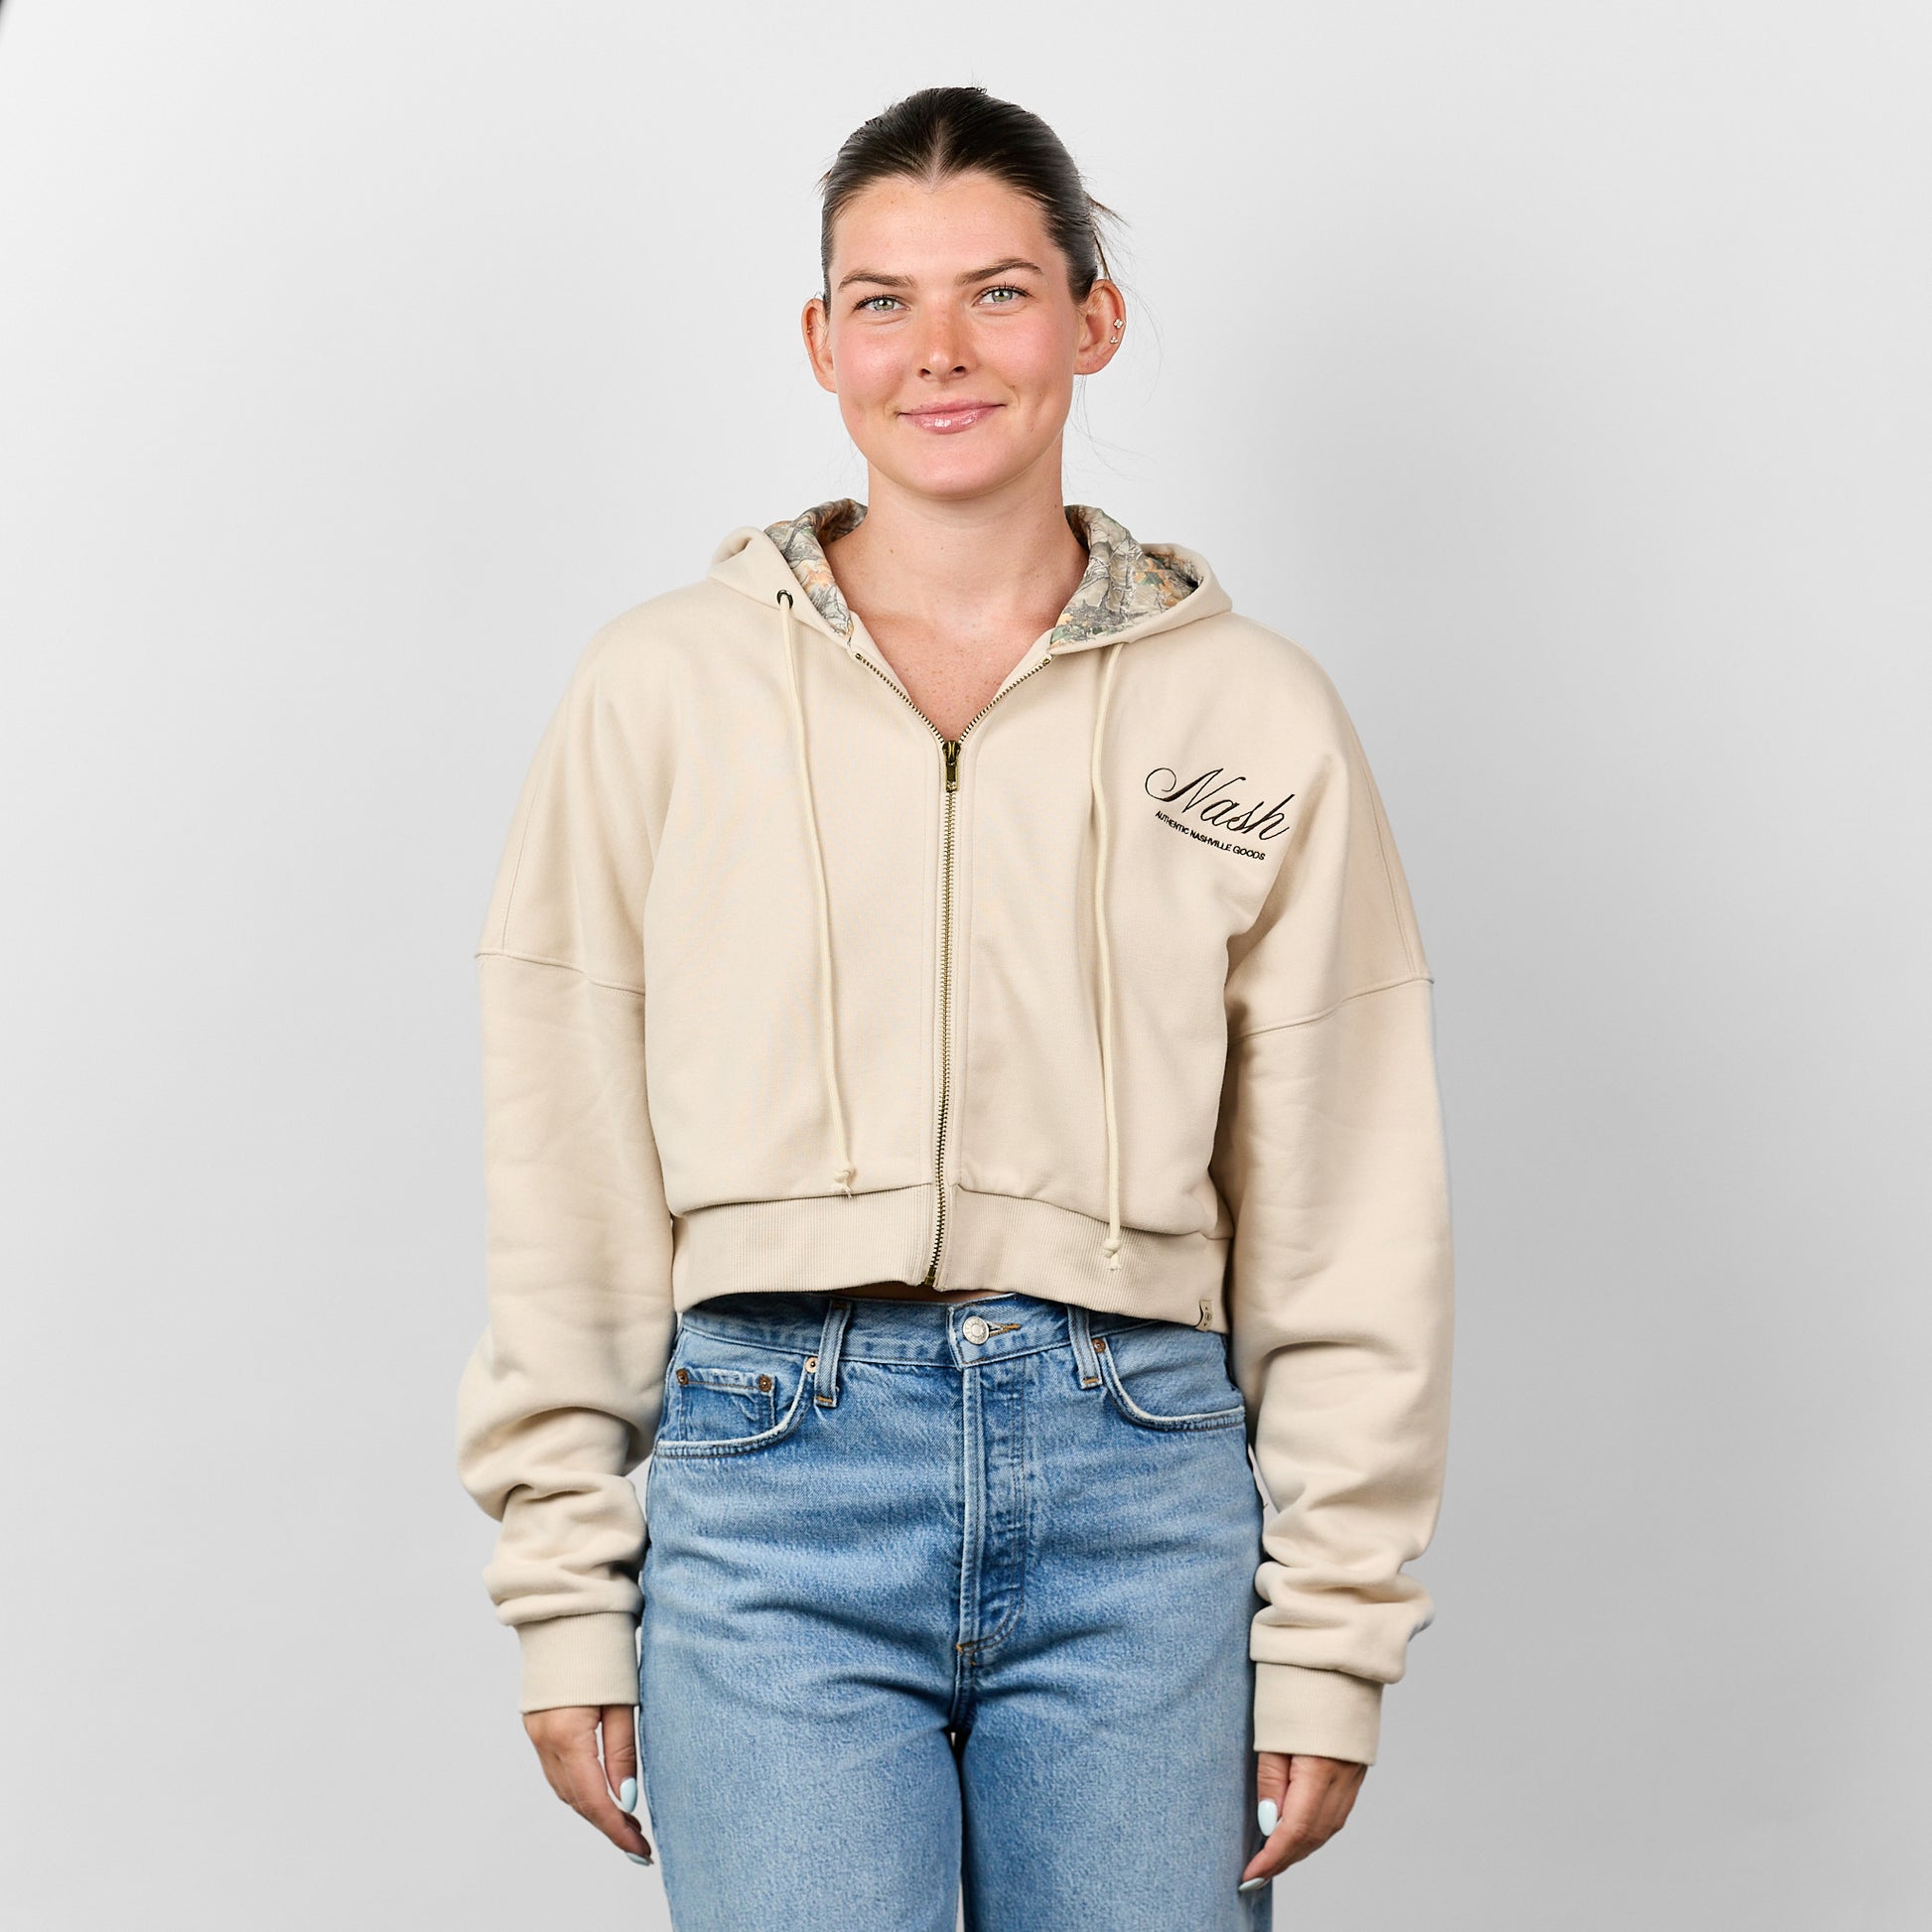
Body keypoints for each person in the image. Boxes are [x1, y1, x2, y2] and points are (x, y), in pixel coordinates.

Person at [455, 83, 1455, 1931]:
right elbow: (564, 1153)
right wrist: (565, 1586)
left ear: (1093, 319)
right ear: (819, 338)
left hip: (1142, 1491)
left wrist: (1331, 1631)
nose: (938, 351)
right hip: (772, 1485)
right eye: (882, 300)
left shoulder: (1251, 712)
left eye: (997, 292)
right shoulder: (659, 690)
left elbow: (1348, 1196)